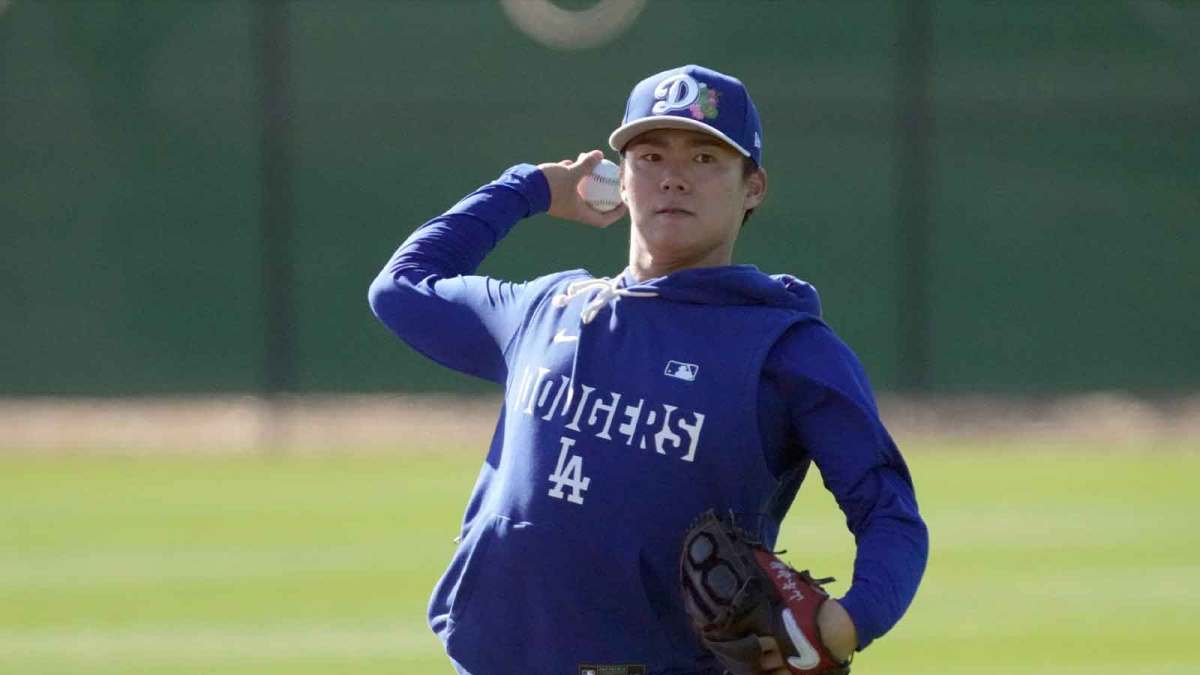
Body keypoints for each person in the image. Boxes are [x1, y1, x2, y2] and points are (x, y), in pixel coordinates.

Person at [369, 64, 928, 675]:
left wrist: (849, 622)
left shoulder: (785, 348)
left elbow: (888, 511)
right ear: (623, 180)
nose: (674, 179)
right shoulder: (545, 307)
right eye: (651, 156)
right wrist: (529, 188)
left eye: (706, 159)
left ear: (754, 187)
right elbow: (400, 287)